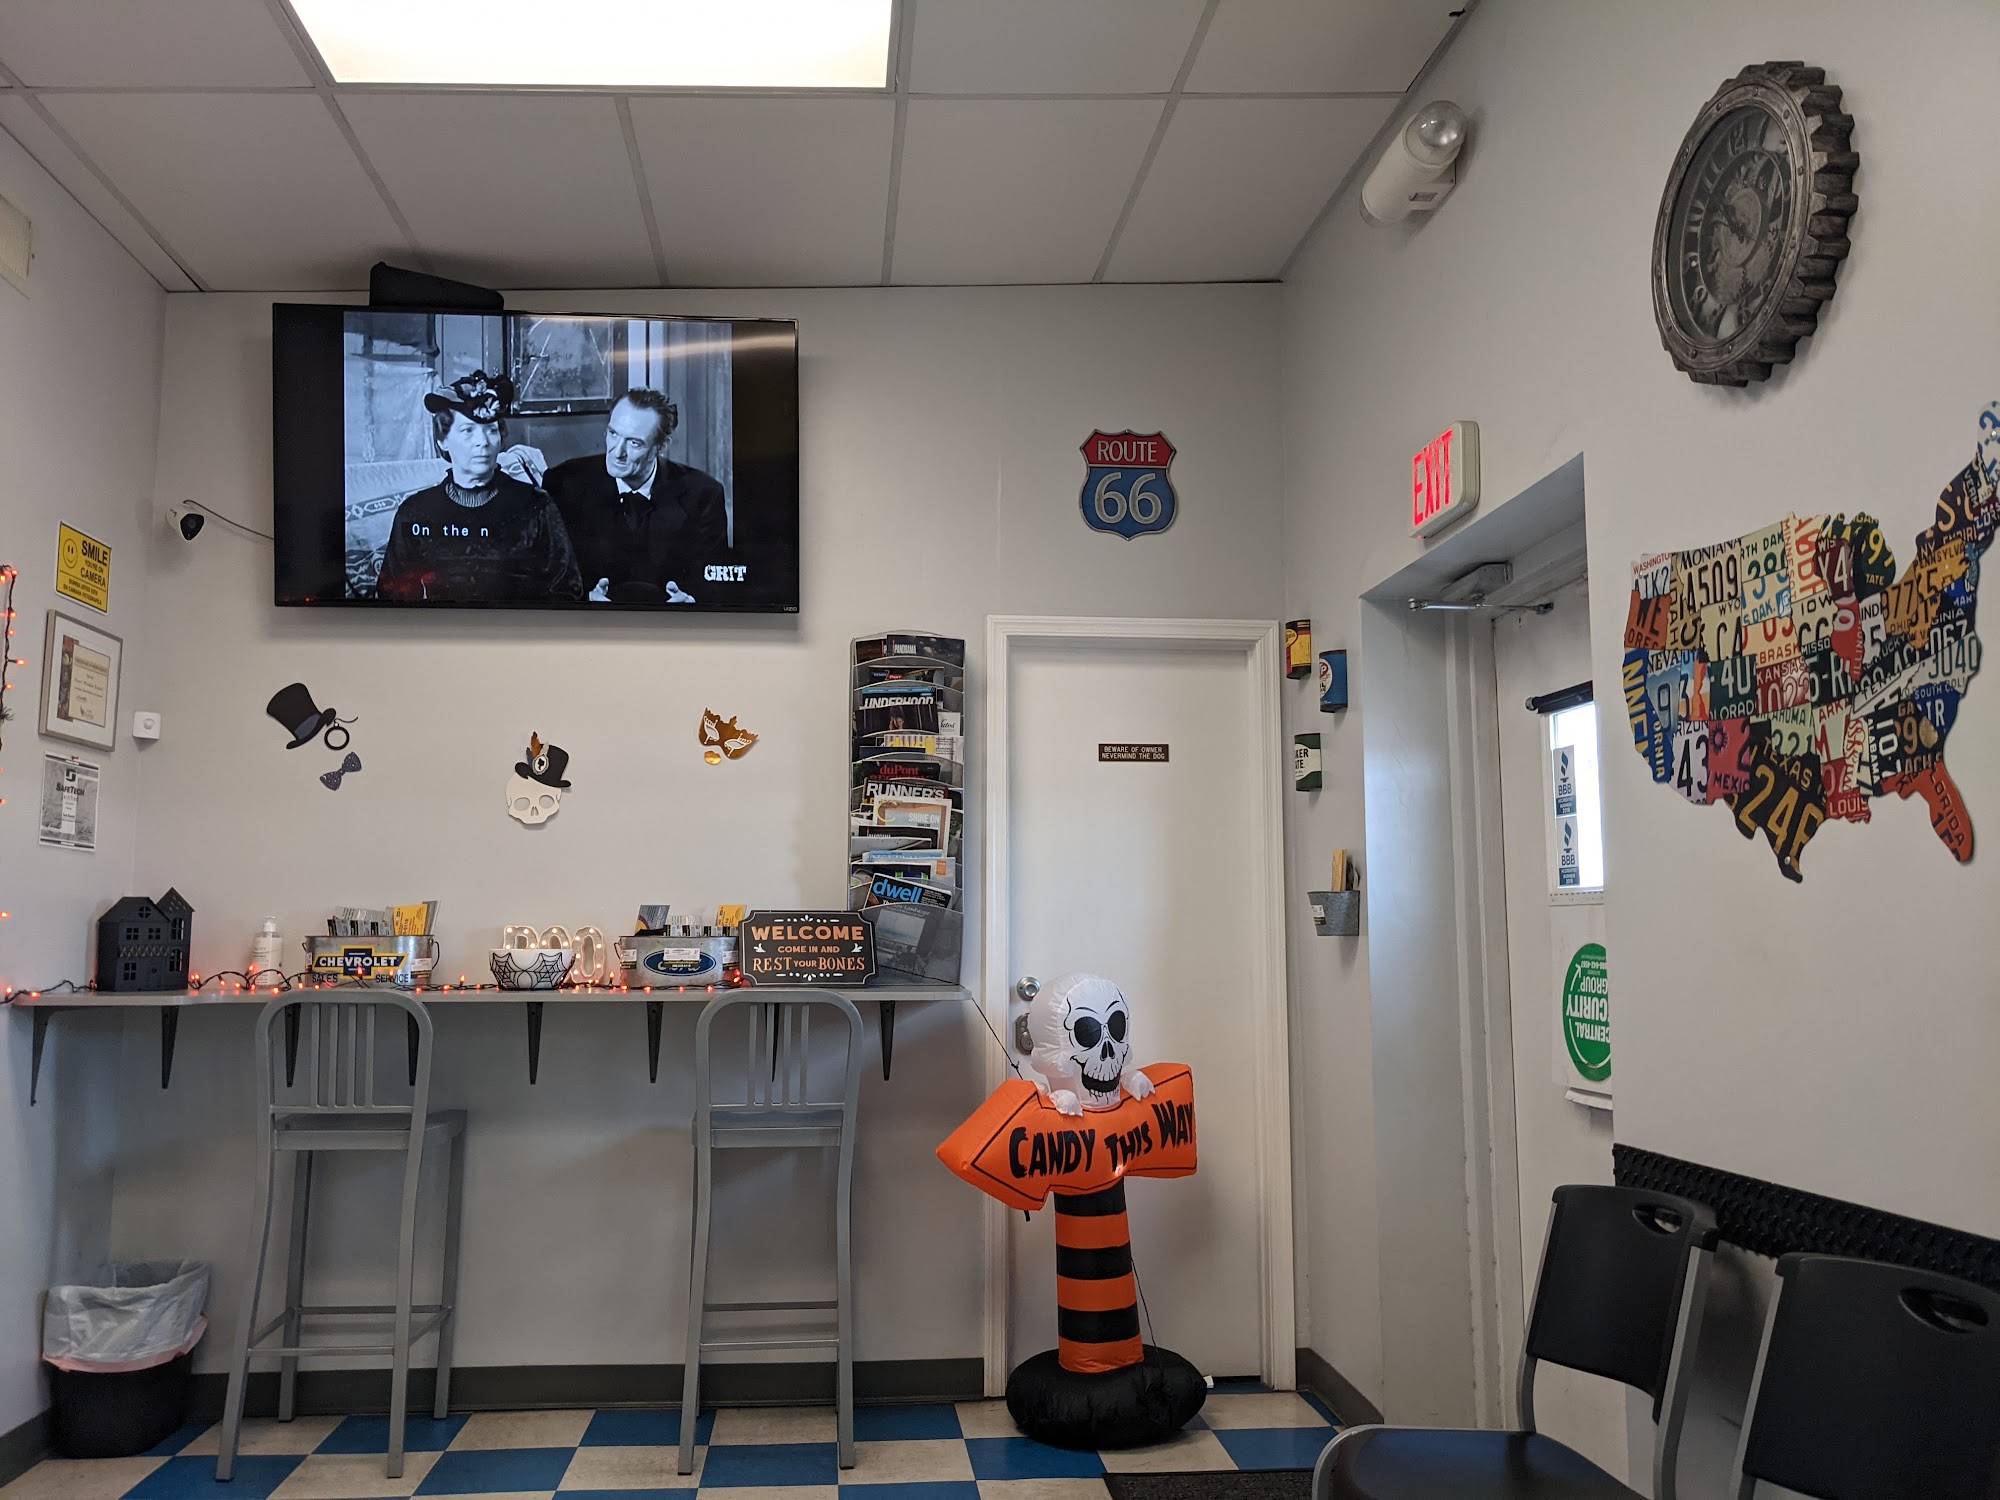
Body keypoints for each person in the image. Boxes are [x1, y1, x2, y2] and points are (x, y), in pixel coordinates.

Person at [498, 389, 726, 604]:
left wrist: (690, 600)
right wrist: (585, 599)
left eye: (634, 443)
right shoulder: (563, 483)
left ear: (661, 446)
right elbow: (545, 579)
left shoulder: (702, 494)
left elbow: (714, 581)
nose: (617, 452)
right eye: (613, 434)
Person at [377, 371, 583, 603]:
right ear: (443, 440)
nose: (483, 442)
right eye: (468, 431)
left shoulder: (535, 506)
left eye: (491, 431)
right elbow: (393, 596)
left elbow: (566, 589)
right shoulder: (416, 512)